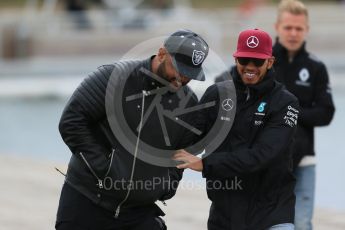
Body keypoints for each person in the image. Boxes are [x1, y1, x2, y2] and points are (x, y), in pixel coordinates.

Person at [56, 29, 209, 230]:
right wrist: (106, 170)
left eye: (189, 75)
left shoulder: (189, 104)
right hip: (86, 202)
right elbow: (71, 122)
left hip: (139, 212)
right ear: (162, 54)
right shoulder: (113, 77)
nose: (182, 79)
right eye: (179, 69)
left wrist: (165, 186)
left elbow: (181, 154)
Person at [174, 28, 300, 230]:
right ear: (235, 59)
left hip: (271, 213)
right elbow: (188, 140)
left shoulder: (286, 103)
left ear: (270, 62)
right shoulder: (216, 94)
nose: (250, 67)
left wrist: (207, 164)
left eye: (258, 61)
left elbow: (262, 155)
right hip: (224, 214)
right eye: (244, 60)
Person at [273, 1, 335, 229]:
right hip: (265, 159)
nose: (293, 33)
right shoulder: (262, 63)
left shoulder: (316, 67)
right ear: (277, 27)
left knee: (301, 222)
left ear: (306, 30)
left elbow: (326, 113)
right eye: (288, 27)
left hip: (304, 159)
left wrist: (289, 113)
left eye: (298, 28)